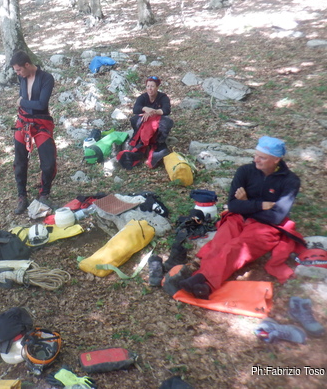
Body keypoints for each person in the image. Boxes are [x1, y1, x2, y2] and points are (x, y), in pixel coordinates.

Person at [179, 136, 306, 299]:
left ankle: (205, 283)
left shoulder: (290, 181)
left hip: (266, 226)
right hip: (238, 217)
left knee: (237, 247)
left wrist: (245, 203)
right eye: (256, 155)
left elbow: (276, 217)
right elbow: (233, 206)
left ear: (276, 160)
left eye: (262, 157)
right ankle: (201, 281)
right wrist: (259, 205)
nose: (256, 160)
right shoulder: (245, 171)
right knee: (220, 243)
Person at [10, 50, 57, 215]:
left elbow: (41, 104)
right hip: (22, 122)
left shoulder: (46, 78)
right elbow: (28, 102)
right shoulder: (22, 77)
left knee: (48, 161)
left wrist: (22, 102)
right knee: (19, 160)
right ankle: (22, 196)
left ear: (27, 65)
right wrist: (23, 103)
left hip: (41, 123)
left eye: (19, 70)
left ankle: (44, 194)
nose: (17, 73)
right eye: (16, 71)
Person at [125, 76, 173, 168]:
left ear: (157, 87)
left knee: (167, 122)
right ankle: (141, 143)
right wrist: (145, 108)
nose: (150, 89)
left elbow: (166, 110)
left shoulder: (163, 97)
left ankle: (158, 143)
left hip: (157, 120)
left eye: (152, 86)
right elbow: (135, 109)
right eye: (148, 86)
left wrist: (152, 112)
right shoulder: (142, 97)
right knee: (135, 120)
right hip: (145, 121)